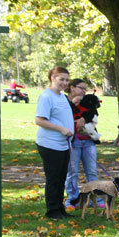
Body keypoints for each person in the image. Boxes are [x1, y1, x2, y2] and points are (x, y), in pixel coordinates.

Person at [34, 66, 74, 220]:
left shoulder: (63, 97)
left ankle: (60, 208)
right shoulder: (46, 96)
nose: (64, 83)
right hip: (49, 144)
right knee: (53, 178)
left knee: (61, 177)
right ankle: (52, 211)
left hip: (63, 144)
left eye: (66, 80)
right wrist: (61, 129)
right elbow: (39, 120)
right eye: (61, 79)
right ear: (52, 78)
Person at [64, 78, 102, 211]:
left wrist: (83, 119)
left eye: (85, 89)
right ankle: (72, 199)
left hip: (88, 141)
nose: (83, 91)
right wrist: (72, 104)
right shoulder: (64, 101)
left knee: (91, 171)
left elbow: (94, 114)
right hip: (73, 142)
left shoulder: (87, 101)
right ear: (72, 87)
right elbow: (62, 117)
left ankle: (94, 198)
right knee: (72, 172)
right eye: (81, 88)